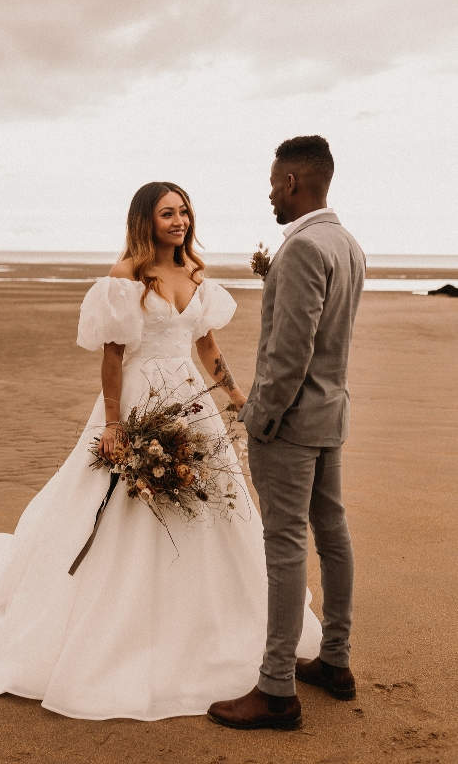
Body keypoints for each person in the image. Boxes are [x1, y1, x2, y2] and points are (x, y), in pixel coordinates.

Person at [0, 180, 321, 721]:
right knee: (127, 504)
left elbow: (206, 346)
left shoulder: (196, 274)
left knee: (212, 506)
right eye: (168, 213)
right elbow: (112, 356)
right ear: (146, 220)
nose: (180, 221)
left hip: (190, 403)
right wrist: (112, 422)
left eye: (185, 211)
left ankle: (209, 620)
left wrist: (237, 397)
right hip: (136, 396)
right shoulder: (126, 276)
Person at [208, 136, 366, 731]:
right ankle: (335, 660)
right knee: (333, 533)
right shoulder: (347, 243)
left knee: (285, 546)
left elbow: (290, 352)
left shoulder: (302, 248)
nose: (270, 192)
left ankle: (276, 689)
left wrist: (259, 416)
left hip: (294, 422)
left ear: (295, 182)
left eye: (275, 182)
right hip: (332, 416)